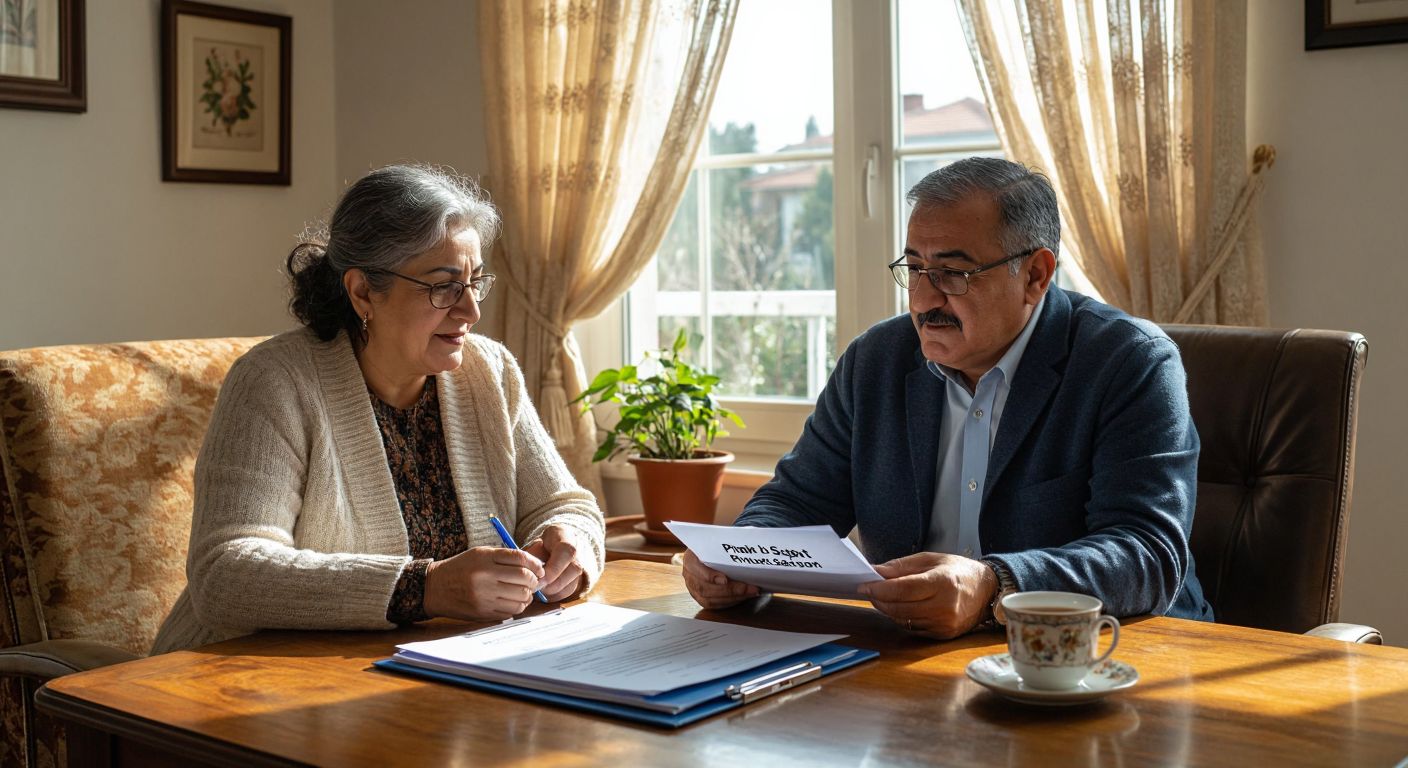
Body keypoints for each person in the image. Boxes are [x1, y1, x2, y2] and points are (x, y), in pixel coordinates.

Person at [682, 157, 1213, 638]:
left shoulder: (1130, 362)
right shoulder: (876, 361)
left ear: (1035, 274)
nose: (923, 299)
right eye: (914, 268)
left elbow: (1146, 552)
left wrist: (994, 586)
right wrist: (734, 557)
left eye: (953, 274)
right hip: (912, 655)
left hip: (1108, 655)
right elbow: (795, 501)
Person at [152, 165, 604, 654]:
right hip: (238, 681)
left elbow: (564, 504)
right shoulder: (274, 382)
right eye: (443, 285)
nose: (471, 310)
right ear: (363, 291)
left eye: (476, 282)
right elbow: (225, 573)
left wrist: (570, 544)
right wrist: (425, 587)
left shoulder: (488, 371)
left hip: (438, 673)